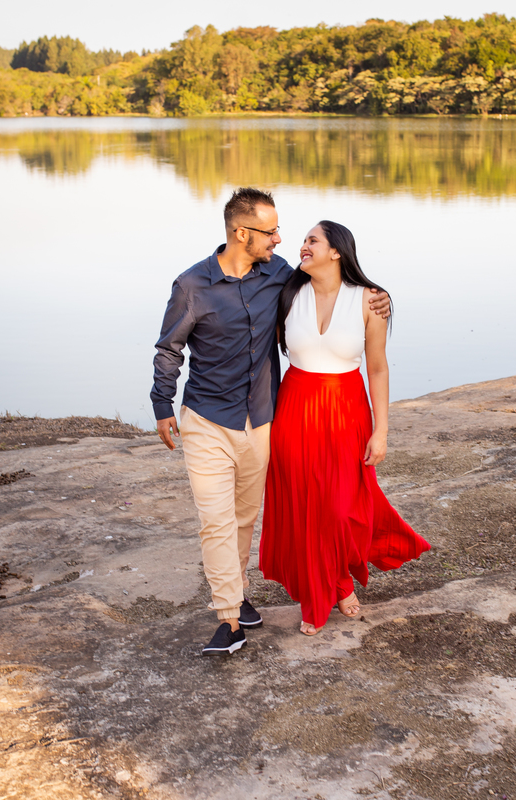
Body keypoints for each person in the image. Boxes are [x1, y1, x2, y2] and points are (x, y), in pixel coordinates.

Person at [151, 189, 391, 656]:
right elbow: (169, 349)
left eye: (284, 231)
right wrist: (162, 404)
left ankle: (241, 593)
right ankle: (228, 620)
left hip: (261, 418)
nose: (281, 239)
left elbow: (335, 287)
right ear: (242, 233)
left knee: (244, 517)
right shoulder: (192, 285)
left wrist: (377, 299)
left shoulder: (280, 276)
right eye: (272, 231)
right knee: (216, 521)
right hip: (207, 417)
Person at [260, 220, 430, 636]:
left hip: (346, 412)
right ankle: (323, 592)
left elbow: (378, 368)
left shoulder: (369, 299)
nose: (302, 246)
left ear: (336, 251)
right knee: (304, 508)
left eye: (312, 240)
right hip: (295, 411)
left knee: (340, 509)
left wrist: (381, 430)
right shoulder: (288, 292)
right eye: (303, 241)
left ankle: (336, 577)